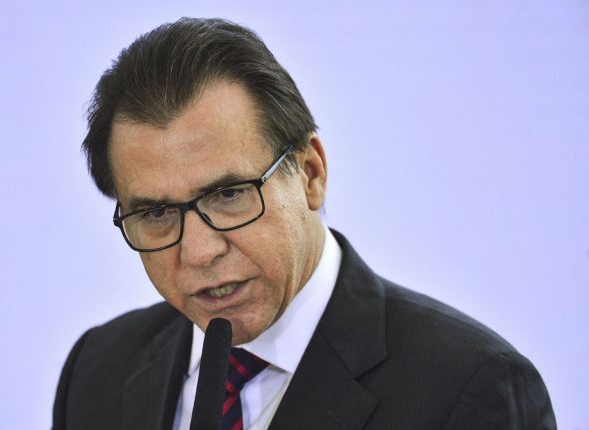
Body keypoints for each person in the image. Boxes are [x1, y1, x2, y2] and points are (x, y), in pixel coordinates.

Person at [53, 17, 556, 430]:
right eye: (157, 213)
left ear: (311, 174)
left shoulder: (471, 387)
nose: (200, 252)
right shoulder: (98, 368)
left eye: (228, 195)